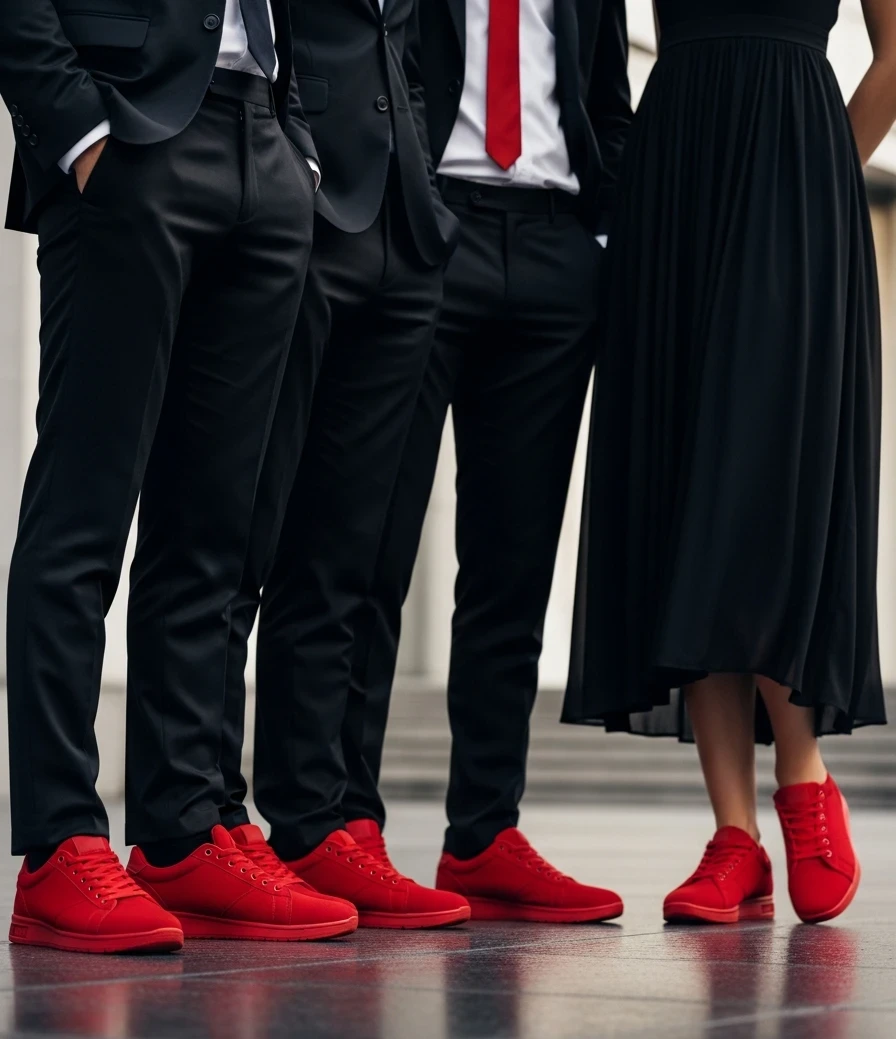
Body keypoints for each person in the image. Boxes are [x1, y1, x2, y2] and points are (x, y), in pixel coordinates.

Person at [2, 0, 359, 953]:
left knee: (213, 527)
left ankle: (181, 829)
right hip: (127, 132)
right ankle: (57, 843)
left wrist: (297, 145)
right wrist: (75, 128)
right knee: (85, 509)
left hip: (263, 137)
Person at [563, 0, 896, 926]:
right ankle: (734, 837)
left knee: (764, 479)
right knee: (685, 480)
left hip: (795, 170)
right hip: (678, 171)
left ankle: (804, 778)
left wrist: (823, 167)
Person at [314, 0, 632, 924]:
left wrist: (599, 241)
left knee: (514, 569)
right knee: (371, 548)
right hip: (427, 227)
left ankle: (484, 833)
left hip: (554, 250)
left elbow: (606, 96)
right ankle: (347, 822)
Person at [215, 0, 471, 928]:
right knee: (244, 531)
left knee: (345, 553)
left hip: (405, 215)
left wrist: (427, 184)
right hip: (297, 196)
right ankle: (206, 813)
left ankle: (318, 820)